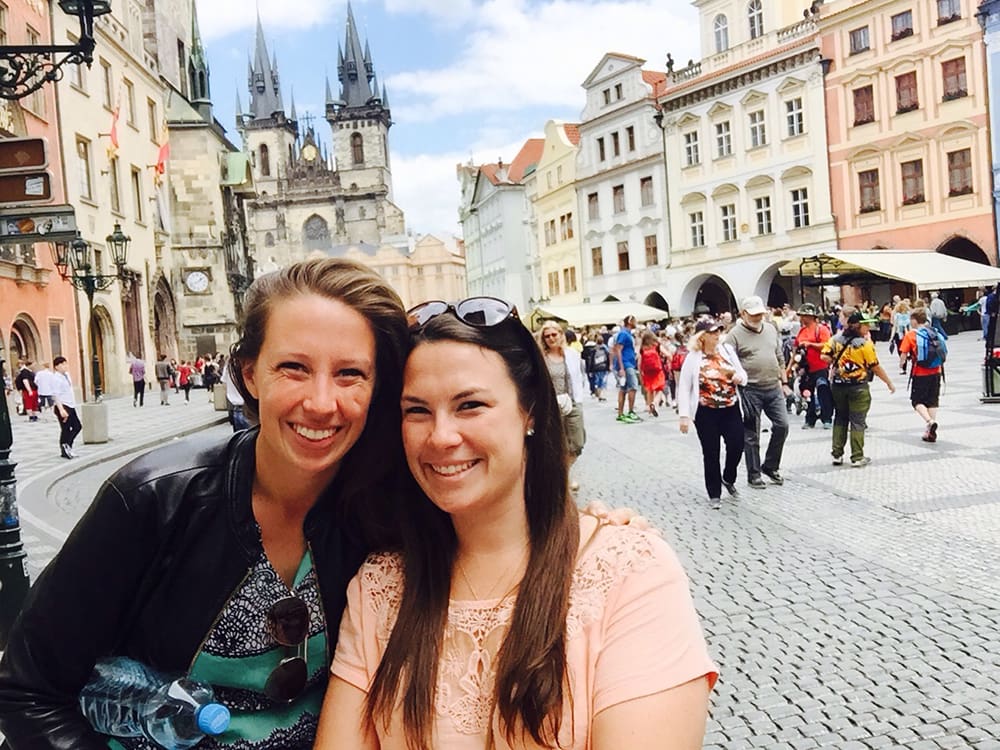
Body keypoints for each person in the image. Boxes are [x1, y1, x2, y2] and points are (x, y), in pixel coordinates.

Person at [0, 258, 411, 749]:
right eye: (294, 368)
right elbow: (27, 691)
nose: (322, 402)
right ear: (250, 374)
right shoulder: (153, 499)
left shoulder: (381, 512)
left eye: (349, 374)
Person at [316, 297, 717, 749]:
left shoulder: (629, 574)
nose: (441, 436)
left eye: (469, 405)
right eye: (417, 411)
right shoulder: (381, 586)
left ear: (529, 411)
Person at [677, 318, 747, 510]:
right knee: (711, 451)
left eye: (718, 331)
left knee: (737, 444)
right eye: (712, 332)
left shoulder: (727, 351)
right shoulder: (693, 358)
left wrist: (738, 377)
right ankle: (714, 492)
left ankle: (728, 476)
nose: (717, 335)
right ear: (702, 337)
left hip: (730, 407)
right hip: (706, 411)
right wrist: (684, 415)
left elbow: (743, 375)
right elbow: (684, 386)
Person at [724, 296, 790, 489]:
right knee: (752, 434)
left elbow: (778, 356)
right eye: (753, 314)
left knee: (782, 425)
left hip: (773, 387)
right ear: (743, 314)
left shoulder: (770, 328)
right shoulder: (734, 335)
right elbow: (726, 361)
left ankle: (770, 465)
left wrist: (784, 381)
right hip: (750, 390)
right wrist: (734, 377)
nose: (757, 317)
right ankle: (754, 474)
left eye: (760, 313)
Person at [822, 311, 895, 468]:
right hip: (858, 386)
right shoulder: (865, 344)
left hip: (839, 386)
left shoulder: (835, 340)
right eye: (866, 325)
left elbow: (824, 356)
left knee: (840, 418)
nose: (868, 327)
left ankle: (837, 454)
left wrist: (836, 362)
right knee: (857, 421)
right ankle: (857, 456)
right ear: (858, 326)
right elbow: (874, 366)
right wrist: (888, 382)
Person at [538, 320, 587, 491]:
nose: (551, 338)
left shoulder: (572, 354)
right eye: (547, 336)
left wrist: (578, 399)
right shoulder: (541, 358)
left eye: (554, 334)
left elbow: (578, 377)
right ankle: (564, 481)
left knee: (577, 443)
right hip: (552, 406)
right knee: (557, 443)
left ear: (561, 334)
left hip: (572, 402)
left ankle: (563, 475)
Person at [898, 308, 944, 443]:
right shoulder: (934, 331)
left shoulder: (911, 335)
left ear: (914, 320)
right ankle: (930, 430)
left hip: (920, 372)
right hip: (936, 371)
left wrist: (901, 365)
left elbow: (903, 354)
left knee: (917, 400)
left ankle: (929, 422)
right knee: (932, 400)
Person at [792, 303, 833, 429]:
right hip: (806, 368)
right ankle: (810, 419)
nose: (802, 318)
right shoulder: (802, 331)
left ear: (811, 316)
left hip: (821, 366)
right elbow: (796, 348)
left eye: (804, 315)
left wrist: (810, 344)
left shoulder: (821, 329)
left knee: (823, 390)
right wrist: (792, 366)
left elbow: (827, 344)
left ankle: (827, 418)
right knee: (807, 393)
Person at [611, 314, 641, 423]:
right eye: (634, 321)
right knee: (633, 387)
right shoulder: (624, 334)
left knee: (623, 389)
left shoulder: (626, 333)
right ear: (630, 322)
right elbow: (618, 349)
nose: (636, 323)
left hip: (628, 363)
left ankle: (621, 413)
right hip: (627, 364)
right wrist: (622, 367)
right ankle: (630, 411)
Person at [51, 355, 81, 459]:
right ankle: (65, 448)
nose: (65, 366)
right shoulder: (56, 378)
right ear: (56, 367)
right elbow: (56, 395)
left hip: (70, 404)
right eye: (62, 364)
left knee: (77, 426)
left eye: (65, 363)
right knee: (66, 429)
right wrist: (61, 410)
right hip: (63, 406)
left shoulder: (66, 375)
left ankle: (68, 446)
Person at [639, 330, 666, 417]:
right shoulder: (656, 346)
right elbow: (668, 355)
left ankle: (650, 409)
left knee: (650, 390)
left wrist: (640, 372)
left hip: (647, 371)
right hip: (657, 370)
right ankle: (655, 403)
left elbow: (639, 362)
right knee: (659, 389)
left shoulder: (642, 348)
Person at [581, 332, 610, 401]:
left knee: (596, 380)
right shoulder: (605, 348)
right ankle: (601, 394)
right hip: (604, 366)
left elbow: (585, 357)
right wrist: (609, 366)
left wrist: (590, 369)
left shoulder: (591, 348)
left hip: (595, 367)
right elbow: (608, 357)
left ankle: (595, 391)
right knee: (603, 381)